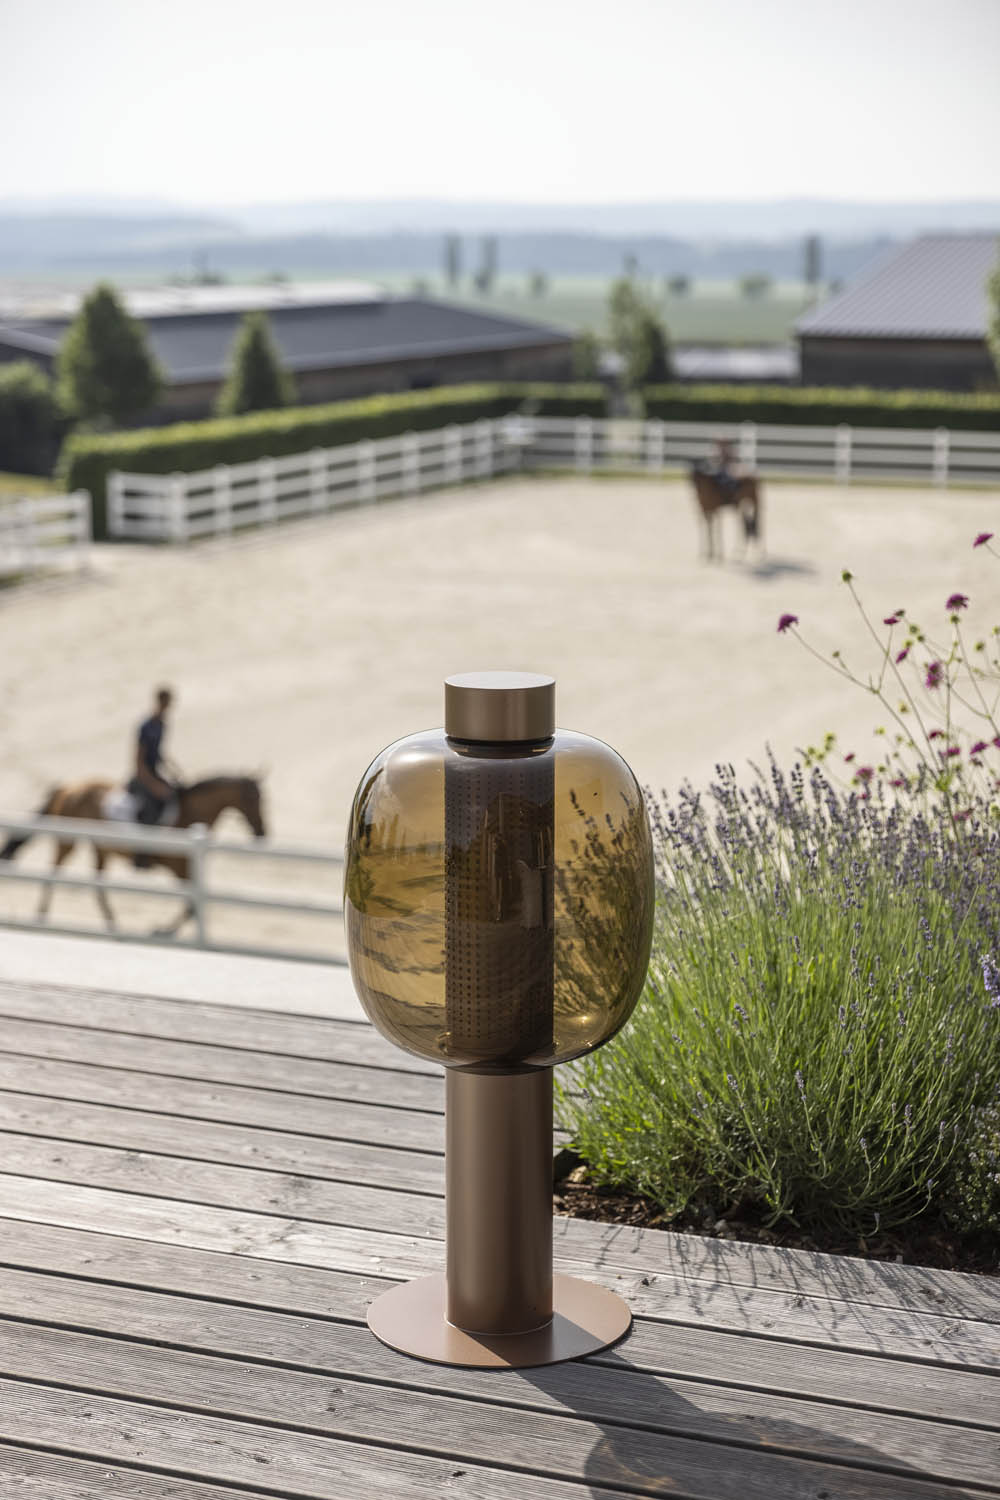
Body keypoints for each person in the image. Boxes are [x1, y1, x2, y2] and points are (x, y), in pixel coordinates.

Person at [128, 688, 179, 862]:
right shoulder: (146, 726)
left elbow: (159, 753)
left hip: (155, 772)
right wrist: (153, 784)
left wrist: (174, 770)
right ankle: (142, 853)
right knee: (150, 807)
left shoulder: (161, 725)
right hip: (143, 776)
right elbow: (139, 761)